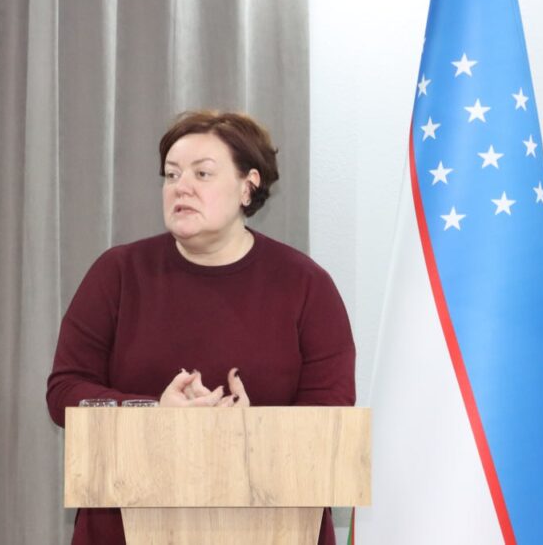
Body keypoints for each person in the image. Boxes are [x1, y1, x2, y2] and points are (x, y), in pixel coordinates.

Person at [46, 110, 356, 545]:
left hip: (271, 528)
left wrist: (252, 433)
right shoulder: (118, 273)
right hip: (125, 527)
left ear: (248, 186)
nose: (181, 187)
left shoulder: (306, 285)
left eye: (202, 173)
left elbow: (331, 417)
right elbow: (65, 392)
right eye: (171, 174)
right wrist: (154, 414)